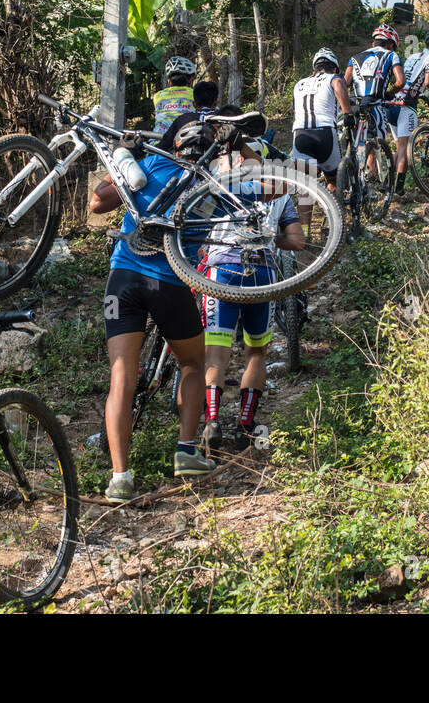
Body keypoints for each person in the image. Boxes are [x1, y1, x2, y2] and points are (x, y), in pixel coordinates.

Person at [90, 120, 220, 502]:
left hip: (125, 277)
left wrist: (128, 159)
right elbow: (202, 240)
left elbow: (97, 203)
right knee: (193, 364)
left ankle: (120, 477)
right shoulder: (207, 189)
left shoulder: (147, 166)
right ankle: (185, 451)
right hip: (170, 285)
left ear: (173, 143)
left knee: (121, 377)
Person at [199, 141, 307, 451]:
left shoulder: (223, 185)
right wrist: (274, 239)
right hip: (263, 275)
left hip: (222, 272)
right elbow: (297, 242)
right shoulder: (281, 194)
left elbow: (199, 222)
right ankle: (245, 424)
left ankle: (213, 420)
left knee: (216, 355)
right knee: (256, 354)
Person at [386, 28, 429, 199]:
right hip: (406, 107)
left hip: (392, 104)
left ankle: (386, 183)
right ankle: (399, 190)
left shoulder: (413, 56)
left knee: (399, 147)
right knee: (405, 148)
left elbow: (410, 80)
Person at [344, 25, 404, 180]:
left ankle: (353, 176)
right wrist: (389, 94)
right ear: (390, 44)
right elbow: (401, 81)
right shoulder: (391, 55)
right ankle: (369, 181)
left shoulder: (355, 57)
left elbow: (345, 82)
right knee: (374, 144)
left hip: (352, 104)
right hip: (374, 104)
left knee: (358, 143)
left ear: (374, 43)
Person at [291, 47, 354, 185]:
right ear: (335, 69)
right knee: (334, 181)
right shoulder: (334, 78)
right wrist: (348, 113)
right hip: (325, 133)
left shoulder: (298, 84)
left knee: (305, 191)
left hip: (300, 135)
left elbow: (296, 111)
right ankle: (334, 203)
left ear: (314, 70)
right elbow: (338, 83)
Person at [152, 55, 198, 134]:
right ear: (190, 80)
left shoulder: (157, 96)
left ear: (169, 82)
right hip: (184, 141)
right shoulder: (196, 94)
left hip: (156, 142)